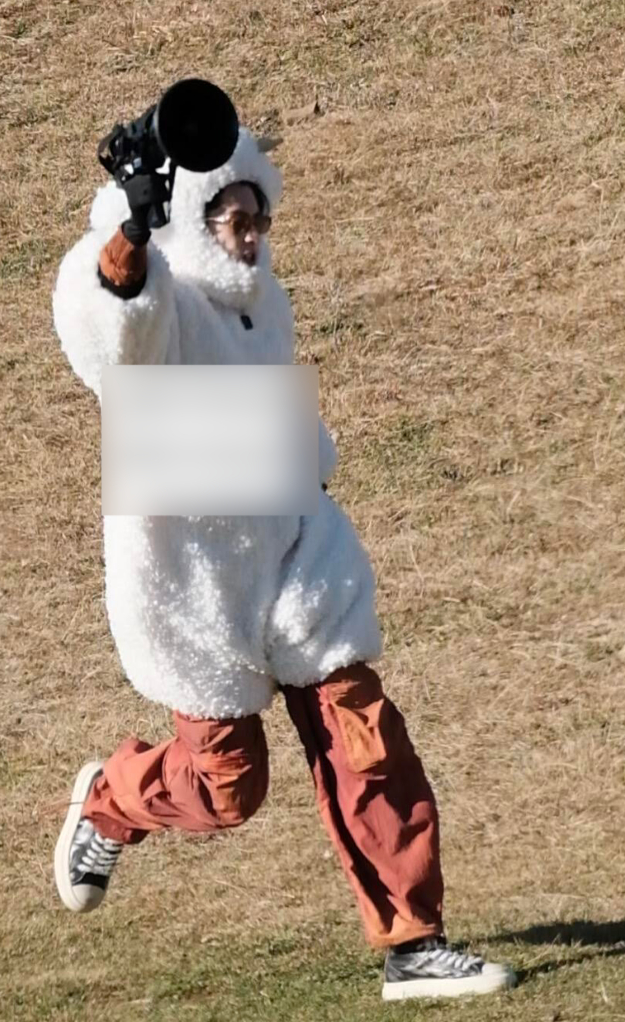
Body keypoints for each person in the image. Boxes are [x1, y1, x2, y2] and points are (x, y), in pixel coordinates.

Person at [51, 124, 516, 1002]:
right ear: (196, 221)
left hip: (296, 559)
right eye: (232, 219)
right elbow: (110, 336)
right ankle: (112, 800)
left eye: (257, 214)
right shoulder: (169, 295)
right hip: (196, 587)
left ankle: (414, 944)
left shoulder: (266, 297)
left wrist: (306, 461)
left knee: (367, 742)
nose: (251, 233)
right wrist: (132, 234)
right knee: (227, 790)